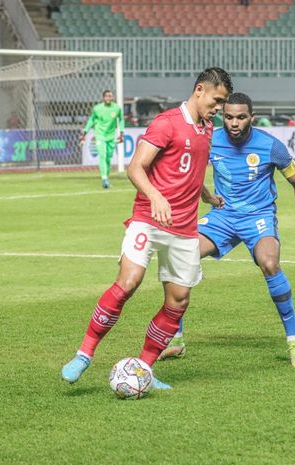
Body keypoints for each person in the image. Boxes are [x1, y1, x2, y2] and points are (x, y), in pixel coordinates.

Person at [61, 68, 233, 389]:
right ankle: (84, 353)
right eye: (217, 100)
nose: (219, 107)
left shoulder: (208, 128)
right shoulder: (166, 123)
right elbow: (136, 167)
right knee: (129, 282)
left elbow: (190, 174)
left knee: (179, 300)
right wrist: (156, 196)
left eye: (222, 103)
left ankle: (144, 369)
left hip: (183, 227)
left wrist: (210, 196)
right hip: (148, 217)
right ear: (199, 90)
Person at [158, 92, 295, 368]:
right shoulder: (210, 140)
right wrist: (206, 197)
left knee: (269, 263)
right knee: (179, 256)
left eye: (241, 117)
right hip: (223, 216)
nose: (234, 123)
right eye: (228, 116)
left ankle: (294, 341)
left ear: (251, 118)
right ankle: (175, 338)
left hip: (258, 217)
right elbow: (190, 175)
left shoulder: (271, 146)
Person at [80, 89, 125, 189]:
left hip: (110, 136)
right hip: (99, 135)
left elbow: (121, 120)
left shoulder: (116, 108)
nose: (108, 98)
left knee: (108, 158)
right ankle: (104, 178)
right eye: (107, 96)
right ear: (103, 97)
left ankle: (106, 178)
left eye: (110, 96)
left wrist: (121, 132)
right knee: (102, 155)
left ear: (112, 97)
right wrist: (85, 132)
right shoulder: (97, 108)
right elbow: (91, 120)